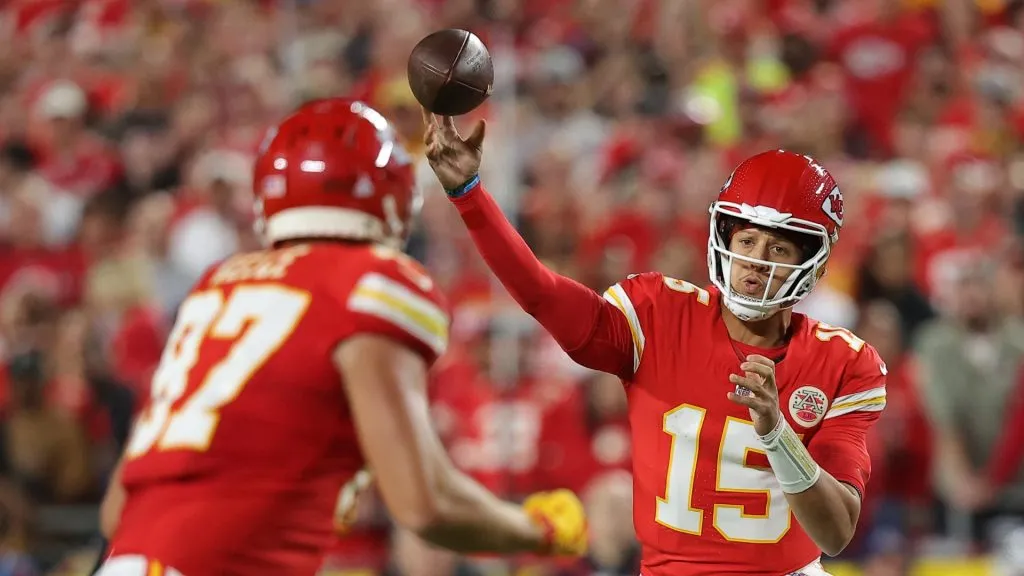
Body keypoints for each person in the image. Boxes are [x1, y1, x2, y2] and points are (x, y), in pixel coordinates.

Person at [94, 99, 588, 576]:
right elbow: (426, 503)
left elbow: (118, 510)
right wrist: (536, 530)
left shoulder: (216, 286)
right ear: (391, 195)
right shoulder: (370, 282)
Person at [422, 111, 887, 576]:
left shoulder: (844, 362)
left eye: (778, 250)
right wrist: (469, 196)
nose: (755, 263)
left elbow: (835, 533)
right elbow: (542, 293)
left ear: (815, 264)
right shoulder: (660, 316)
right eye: (747, 240)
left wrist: (777, 434)